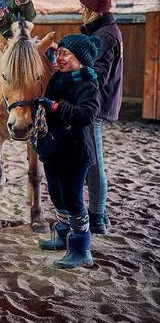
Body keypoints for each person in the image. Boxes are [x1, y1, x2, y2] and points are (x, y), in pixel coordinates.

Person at [35, 34, 100, 269]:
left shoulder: (88, 84)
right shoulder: (56, 80)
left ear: (80, 60)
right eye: (59, 52)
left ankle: (82, 248)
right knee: (56, 195)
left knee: (73, 200)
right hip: (53, 149)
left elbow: (85, 115)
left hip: (75, 153)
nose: (59, 58)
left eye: (65, 54)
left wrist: (54, 106)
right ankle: (62, 235)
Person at [78, 0, 123, 234]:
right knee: (93, 161)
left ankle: (96, 216)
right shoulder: (105, 30)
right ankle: (99, 215)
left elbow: (97, 74)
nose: (80, 10)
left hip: (96, 104)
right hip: (99, 102)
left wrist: (71, 69)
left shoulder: (104, 35)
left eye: (82, 6)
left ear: (93, 10)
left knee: (94, 163)